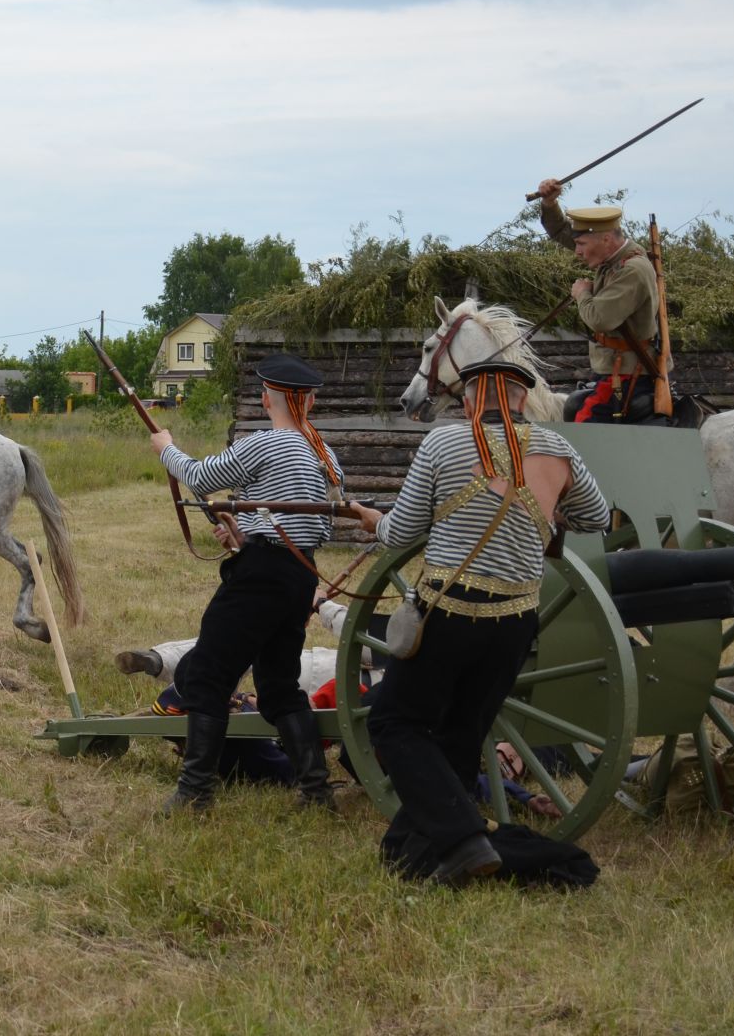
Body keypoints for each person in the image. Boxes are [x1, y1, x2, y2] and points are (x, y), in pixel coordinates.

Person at [350, 358, 610, 885]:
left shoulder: (442, 444)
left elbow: (401, 532)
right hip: (514, 623)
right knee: (462, 734)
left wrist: (374, 521)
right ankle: (413, 849)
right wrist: (548, 512)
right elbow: (597, 517)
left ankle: (467, 840)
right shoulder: (559, 449)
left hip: (449, 613)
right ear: (521, 399)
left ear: (469, 398)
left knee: (393, 722)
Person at [151, 353, 345, 813]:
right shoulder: (326, 455)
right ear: (310, 402)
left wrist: (166, 447)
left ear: (266, 398)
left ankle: (195, 791)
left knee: (206, 674)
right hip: (299, 577)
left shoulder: (267, 443)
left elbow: (200, 477)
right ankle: (316, 792)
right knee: (279, 686)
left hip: (261, 577)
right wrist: (247, 534)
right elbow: (318, 530)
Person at [533, 181, 661, 423]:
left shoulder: (632, 270)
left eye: (581, 245)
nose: (577, 251)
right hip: (612, 370)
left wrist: (582, 292)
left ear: (605, 240)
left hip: (627, 374)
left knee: (584, 426)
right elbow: (561, 232)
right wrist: (549, 202)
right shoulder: (611, 255)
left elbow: (599, 319)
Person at [115, 585, 380, 695]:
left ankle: (163, 660)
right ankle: (161, 660)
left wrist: (322, 604)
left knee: (250, 643)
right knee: (249, 642)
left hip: (331, 682)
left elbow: (369, 642)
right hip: (333, 670)